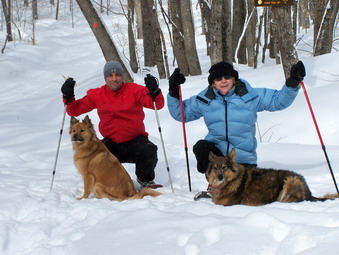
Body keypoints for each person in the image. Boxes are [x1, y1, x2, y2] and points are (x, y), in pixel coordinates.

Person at [167, 61, 306, 197]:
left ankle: (227, 185)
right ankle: (215, 183)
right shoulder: (205, 99)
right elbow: (181, 113)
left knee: (243, 191)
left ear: (233, 79)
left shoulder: (250, 96)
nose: (223, 81)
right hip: (219, 159)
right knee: (202, 147)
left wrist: (293, 82)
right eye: (218, 78)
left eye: (227, 77)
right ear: (212, 82)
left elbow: (278, 101)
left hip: (243, 159)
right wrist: (173, 91)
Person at [61, 60, 165, 189]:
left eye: (117, 75)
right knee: (94, 152)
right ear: (105, 78)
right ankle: (103, 181)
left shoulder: (134, 90)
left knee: (149, 149)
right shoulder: (97, 94)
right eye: (110, 76)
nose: (114, 79)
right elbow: (74, 110)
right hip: (111, 144)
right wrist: (68, 96)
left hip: (135, 142)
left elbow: (157, 105)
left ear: (122, 76)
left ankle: (145, 180)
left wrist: (155, 92)